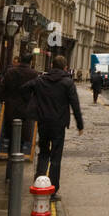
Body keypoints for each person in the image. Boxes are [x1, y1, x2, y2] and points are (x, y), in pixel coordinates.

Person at [22, 54, 84, 195]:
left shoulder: (41, 80)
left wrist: (33, 102)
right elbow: (75, 104)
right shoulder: (67, 82)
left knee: (43, 152)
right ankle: (53, 188)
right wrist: (80, 125)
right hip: (59, 124)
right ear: (65, 67)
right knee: (56, 156)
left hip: (43, 122)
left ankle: (39, 183)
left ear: (51, 66)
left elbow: (24, 88)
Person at [0, 51, 39, 165]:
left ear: (20, 59)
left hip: (10, 110)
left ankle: (9, 169)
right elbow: (38, 94)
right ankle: (16, 166)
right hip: (26, 112)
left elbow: (0, 91)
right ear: (31, 61)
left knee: (11, 140)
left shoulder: (10, 72)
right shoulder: (34, 74)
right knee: (21, 142)